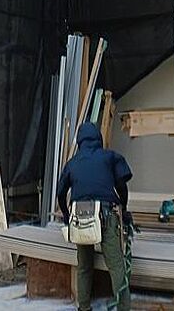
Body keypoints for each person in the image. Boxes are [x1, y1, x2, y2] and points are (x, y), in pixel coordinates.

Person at [57, 122, 133, 311]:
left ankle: (83, 307)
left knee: (84, 266)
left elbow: (60, 193)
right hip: (107, 213)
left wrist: (66, 216)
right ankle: (123, 308)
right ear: (99, 138)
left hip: (80, 216)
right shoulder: (109, 157)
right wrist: (123, 209)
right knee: (116, 266)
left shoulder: (72, 163)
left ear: (79, 141)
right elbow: (122, 186)